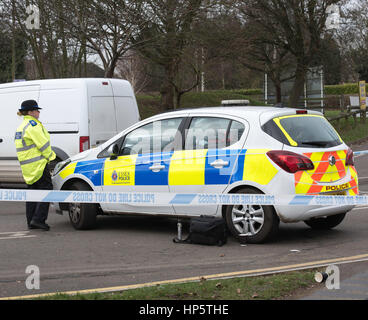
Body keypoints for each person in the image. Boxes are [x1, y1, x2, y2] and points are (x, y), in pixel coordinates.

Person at [15, 100, 56, 231]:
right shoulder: (33, 125)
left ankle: (31, 220)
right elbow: (43, 144)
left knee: (32, 193)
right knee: (46, 190)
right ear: (31, 112)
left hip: (28, 168)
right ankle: (38, 219)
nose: (39, 112)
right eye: (37, 110)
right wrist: (51, 157)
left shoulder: (22, 126)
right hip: (39, 165)